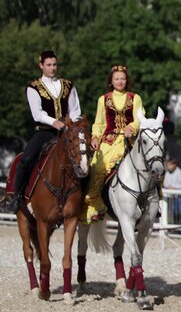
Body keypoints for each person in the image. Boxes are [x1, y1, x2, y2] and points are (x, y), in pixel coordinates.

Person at [3, 50, 82, 213]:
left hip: (68, 132)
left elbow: (75, 110)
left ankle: (87, 199)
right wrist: (55, 123)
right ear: (41, 66)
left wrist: (71, 124)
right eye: (48, 65)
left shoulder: (68, 85)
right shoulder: (33, 87)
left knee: (84, 157)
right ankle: (16, 197)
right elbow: (37, 114)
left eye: (54, 65)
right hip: (45, 132)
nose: (52, 68)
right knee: (26, 159)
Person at [79, 65, 144, 223]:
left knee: (150, 163)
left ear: (127, 80)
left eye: (123, 78)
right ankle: (92, 205)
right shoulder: (103, 99)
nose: (120, 81)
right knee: (96, 168)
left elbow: (140, 118)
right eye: (117, 79)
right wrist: (94, 137)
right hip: (108, 142)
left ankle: (153, 203)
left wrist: (132, 127)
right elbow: (99, 123)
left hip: (130, 141)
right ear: (111, 81)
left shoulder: (135, 98)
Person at [162, 158, 181, 224]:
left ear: (174, 165)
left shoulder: (179, 172)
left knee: (178, 212)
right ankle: (171, 227)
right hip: (169, 197)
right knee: (169, 213)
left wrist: (174, 188)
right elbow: (165, 183)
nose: (168, 167)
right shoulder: (167, 173)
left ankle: (179, 228)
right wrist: (168, 186)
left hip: (177, 197)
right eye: (168, 165)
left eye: (169, 165)